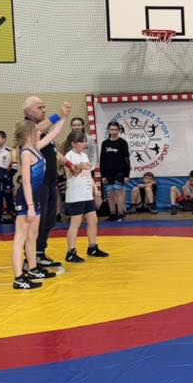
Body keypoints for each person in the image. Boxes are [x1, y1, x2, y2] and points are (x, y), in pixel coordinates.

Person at [12, 115, 67, 290]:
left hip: (34, 198)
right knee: (20, 237)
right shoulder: (26, 153)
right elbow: (26, 181)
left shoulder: (36, 147)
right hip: (26, 198)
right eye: (37, 131)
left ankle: (33, 268)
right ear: (29, 134)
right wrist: (29, 206)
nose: (40, 133)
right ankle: (18, 278)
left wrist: (63, 116)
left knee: (32, 235)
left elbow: (54, 133)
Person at [22, 96, 78, 267]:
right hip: (38, 184)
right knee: (38, 222)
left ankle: (39, 253)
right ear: (28, 111)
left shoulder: (44, 131)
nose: (43, 110)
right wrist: (59, 115)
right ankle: (30, 258)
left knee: (49, 219)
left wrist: (70, 164)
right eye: (39, 107)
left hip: (50, 182)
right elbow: (38, 129)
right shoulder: (27, 127)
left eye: (44, 107)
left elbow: (53, 151)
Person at [63, 130, 109, 263]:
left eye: (85, 141)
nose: (85, 144)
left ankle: (92, 247)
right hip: (76, 195)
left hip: (87, 194)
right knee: (75, 223)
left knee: (93, 220)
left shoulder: (84, 155)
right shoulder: (69, 156)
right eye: (82, 141)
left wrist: (95, 188)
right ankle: (71, 252)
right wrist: (80, 167)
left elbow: (88, 175)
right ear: (73, 143)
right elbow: (71, 174)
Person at [100, 121, 131, 222]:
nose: (113, 131)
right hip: (108, 172)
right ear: (108, 130)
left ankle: (120, 214)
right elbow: (102, 160)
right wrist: (103, 175)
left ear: (119, 130)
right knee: (110, 193)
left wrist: (126, 175)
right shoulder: (105, 143)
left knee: (119, 191)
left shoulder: (123, 142)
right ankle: (112, 214)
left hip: (120, 171)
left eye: (115, 130)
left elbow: (127, 159)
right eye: (111, 129)